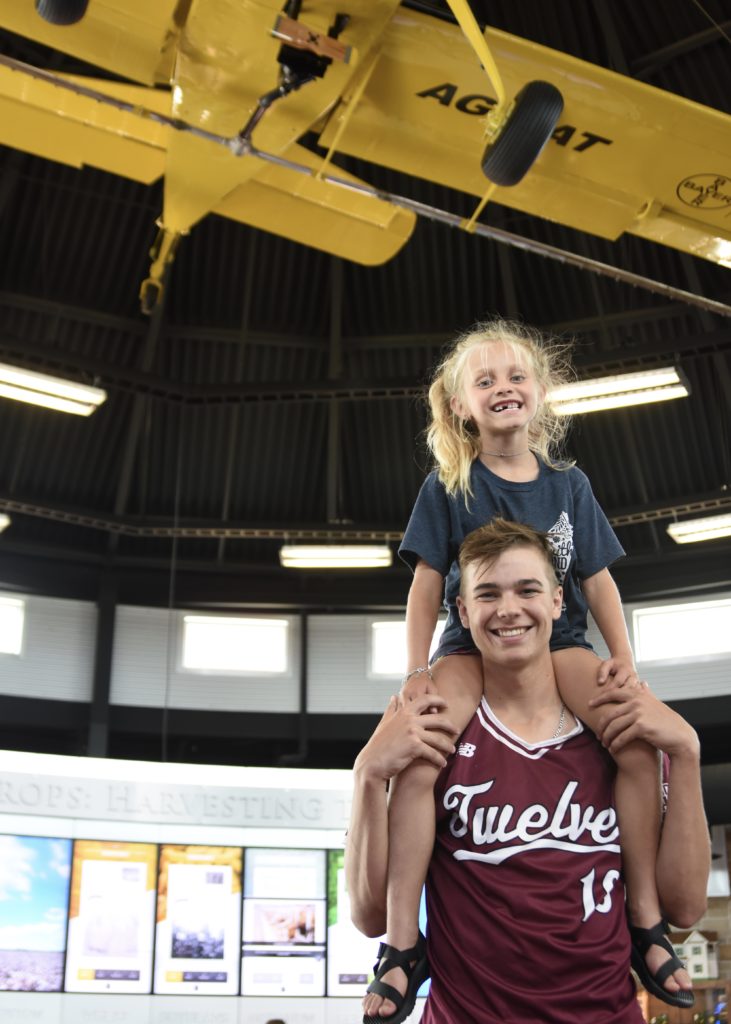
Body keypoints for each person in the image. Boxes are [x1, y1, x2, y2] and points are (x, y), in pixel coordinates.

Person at [363, 318, 688, 1022]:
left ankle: (643, 921)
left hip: (561, 641)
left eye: (515, 377)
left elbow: (597, 579)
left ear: (540, 393)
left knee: (633, 741)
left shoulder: (570, 486)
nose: (502, 388)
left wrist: (623, 662)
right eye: (484, 381)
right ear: (459, 406)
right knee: (420, 756)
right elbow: (425, 585)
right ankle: (398, 947)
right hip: (464, 649)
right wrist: (416, 670)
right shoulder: (448, 484)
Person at [347, 519, 710, 1024]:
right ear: (464, 611)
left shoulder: (618, 729)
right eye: (489, 594)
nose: (509, 609)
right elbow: (369, 916)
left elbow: (687, 910)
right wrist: (367, 775)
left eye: (527, 590)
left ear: (559, 602)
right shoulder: (435, 729)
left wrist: (688, 753)